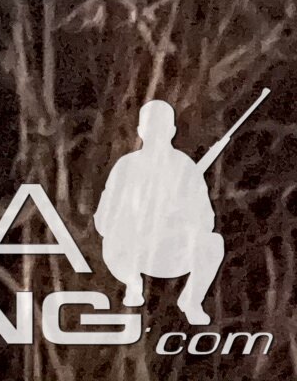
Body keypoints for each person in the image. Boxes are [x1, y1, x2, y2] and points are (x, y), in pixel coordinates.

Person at [97, 100, 231, 326]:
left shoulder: (185, 167)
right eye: (152, 129)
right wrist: (135, 221)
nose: (156, 135)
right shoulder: (126, 166)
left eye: (161, 129)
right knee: (113, 241)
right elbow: (104, 220)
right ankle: (133, 284)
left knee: (213, 243)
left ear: (171, 132)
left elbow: (205, 221)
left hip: (171, 252)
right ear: (141, 131)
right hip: (134, 252)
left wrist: (179, 218)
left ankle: (191, 301)